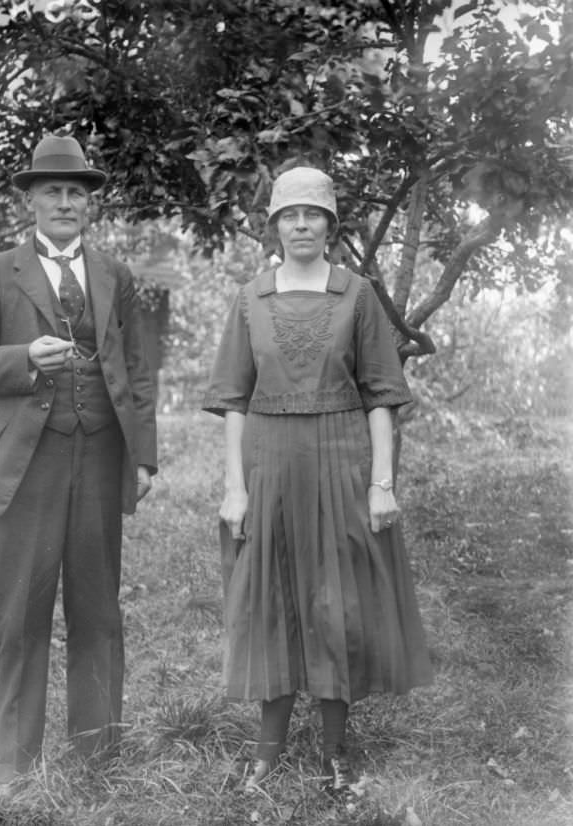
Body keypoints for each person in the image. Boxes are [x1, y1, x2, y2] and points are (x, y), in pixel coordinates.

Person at [203, 166, 432, 794]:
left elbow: (381, 395)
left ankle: (334, 752)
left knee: (338, 603)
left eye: (313, 214)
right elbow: (233, 401)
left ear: (331, 225)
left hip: (341, 459)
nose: (301, 225)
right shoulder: (251, 297)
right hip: (269, 461)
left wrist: (381, 483)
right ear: (273, 226)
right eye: (289, 215)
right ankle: (266, 753)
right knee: (269, 600)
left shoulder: (356, 295)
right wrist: (234, 486)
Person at [0, 134, 158, 796]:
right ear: (31, 201)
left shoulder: (116, 276)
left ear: (88, 205)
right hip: (24, 462)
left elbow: (137, 369)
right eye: (53, 192)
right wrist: (23, 359)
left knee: (97, 611)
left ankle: (97, 758)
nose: (65, 202)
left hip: (99, 454)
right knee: (22, 613)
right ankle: (12, 765)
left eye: (76, 193)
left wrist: (144, 455)